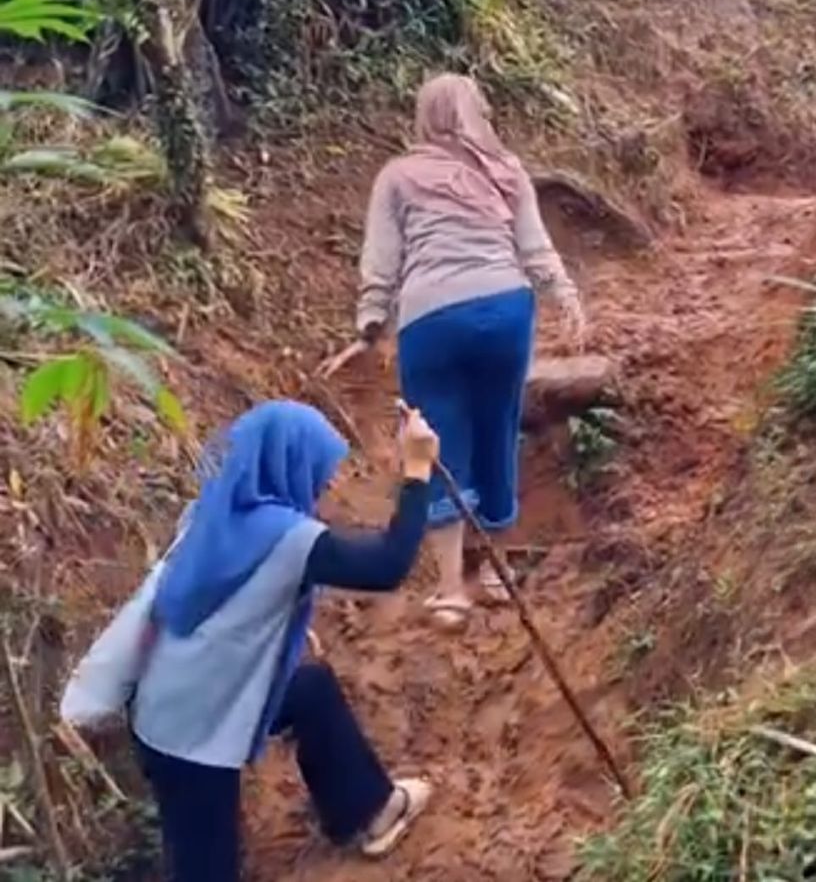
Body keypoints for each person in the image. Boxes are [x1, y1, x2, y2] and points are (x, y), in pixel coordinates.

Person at [130, 399, 437, 881]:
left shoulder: (209, 514)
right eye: (317, 471)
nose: (322, 486)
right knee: (206, 868)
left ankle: (367, 809)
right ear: (288, 465)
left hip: (170, 699)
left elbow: (211, 599)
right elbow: (388, 565)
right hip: (188, 734)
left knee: (308, 690)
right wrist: (416, 472)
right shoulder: (285, 536)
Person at [323, 73, 585, 629]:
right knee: (498, 427)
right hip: (506, 310)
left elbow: (382, 260)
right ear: (476, 114)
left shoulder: (397, 176)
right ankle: (493, 573)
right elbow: (533, 246)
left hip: (431, 317)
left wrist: (370, 324)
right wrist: (563, 292)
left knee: (434, 441)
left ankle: (449, 592)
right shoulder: (506, 170)